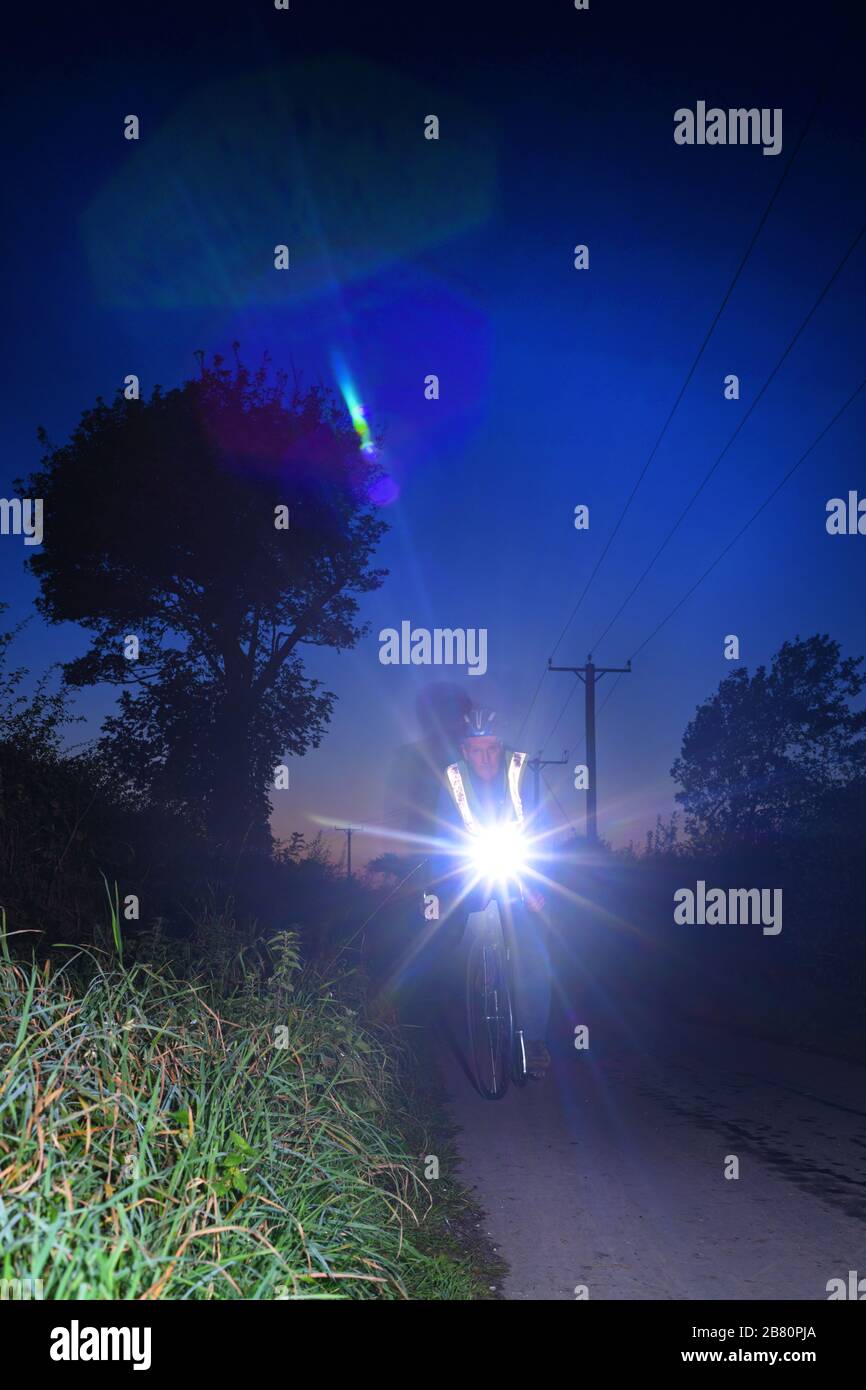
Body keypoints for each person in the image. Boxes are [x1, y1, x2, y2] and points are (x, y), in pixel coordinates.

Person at [431, 708, 553, 1078]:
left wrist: (538, 884)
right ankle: (473, 983)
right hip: (470, 871)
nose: (485, 759)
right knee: (459, 935)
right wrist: (446, 887)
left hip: (516, 871)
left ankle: (533, 1039)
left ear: (501, 747)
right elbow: (440, 839)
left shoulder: (520, 773)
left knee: (532, 949)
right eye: (477, 751)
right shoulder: (452, 782)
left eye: (492, 749)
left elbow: (542, 830)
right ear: (465, 752)